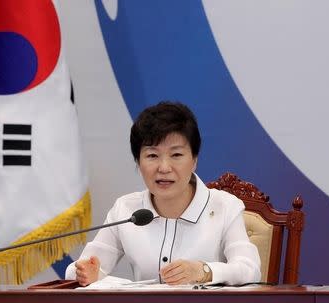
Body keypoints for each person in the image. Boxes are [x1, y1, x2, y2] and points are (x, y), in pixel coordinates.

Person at [65, 101, 261, 286]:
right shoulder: (127, 210)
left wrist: (204, 271)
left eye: (176, 155)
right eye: (152, 155)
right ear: (138, 162)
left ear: (194, 160)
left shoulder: (224, 206)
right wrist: (86, 273)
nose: (164, 167)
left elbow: (249, 270)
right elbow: (78, 269)